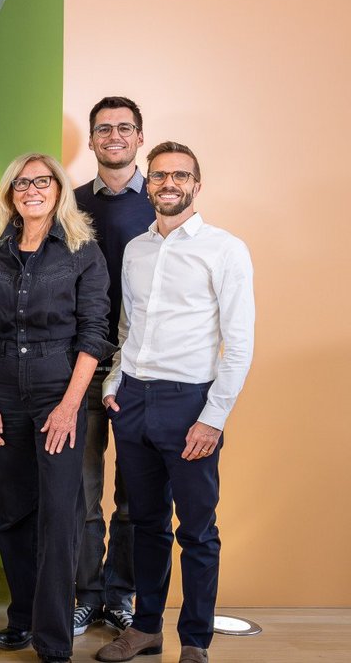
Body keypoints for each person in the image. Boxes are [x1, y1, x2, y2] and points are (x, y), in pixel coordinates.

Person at [93, 143, 255, 663]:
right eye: (160, 175)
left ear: (196, 185)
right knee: (145, 523)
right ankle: (145, 630)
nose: (169, 183)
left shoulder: (225, 249)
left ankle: (195, 641)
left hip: (190, 403)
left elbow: (239, 344)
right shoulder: (136, 250)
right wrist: (114, 383)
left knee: (198, 531)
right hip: (134, 400)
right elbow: (127, 326)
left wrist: (213, 418)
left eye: (180, 176)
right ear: (149, 184)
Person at [0, 153, 113, 663]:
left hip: (60, 392)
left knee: (58, 515)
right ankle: (22, 618)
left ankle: (53, 640)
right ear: (10, 194)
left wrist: (70, 406)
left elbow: (94, 333)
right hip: (4, 394)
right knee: (14, 513)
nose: (32, 190)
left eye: (42, 181)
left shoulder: (82, 250)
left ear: (58, 189)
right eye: (22, 183)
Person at [73, 96, 155, 637]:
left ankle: (121, 594)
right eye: (104, 129)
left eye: (125, 128)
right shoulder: (72, 204)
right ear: (91, 140)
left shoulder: (162, 200)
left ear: (140, 137)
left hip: (142, 367)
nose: (114, 136)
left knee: (133, 496)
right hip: (82, 364)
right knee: (82, 491)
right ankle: (86, 593)